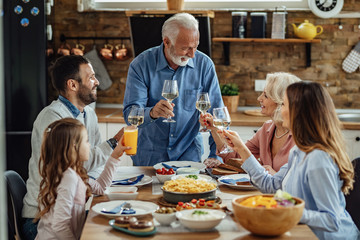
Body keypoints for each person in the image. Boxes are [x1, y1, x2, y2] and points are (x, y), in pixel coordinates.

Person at [221, 81, 359, 239]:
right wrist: (241, 148)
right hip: (301, 232)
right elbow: (271, 186)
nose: (281, 109)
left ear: (298, 112)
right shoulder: (299, 151)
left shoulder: (318, 159)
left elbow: (332, 221)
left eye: (284, 105)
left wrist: (287, 210)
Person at [22, 55, 123, 239]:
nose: (97, 81)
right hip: (41, 219)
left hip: (68, 213)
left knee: (115, 222)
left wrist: (89, 184)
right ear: (73, 85)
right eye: (91, 77)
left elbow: (91, 165)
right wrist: (113, 143)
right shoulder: (53, 118)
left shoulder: (89, 114)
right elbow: (73, 164)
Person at [123, 13, 223, 166]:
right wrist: (152, 113)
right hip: (149, 156)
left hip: (189, 155)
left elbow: (218, 114)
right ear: (167, 42)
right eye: (185, 48)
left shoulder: (204, 65)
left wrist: (216, 155)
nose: (192, 54)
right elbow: (130, 114)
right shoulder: (141, 65)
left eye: (195, 47)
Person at [35, 118, 129, 239]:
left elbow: (100, 188)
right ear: (74, 146)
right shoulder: (68, 178)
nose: (89, 145)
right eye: (87, 141)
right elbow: (59, 225)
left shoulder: (73, 173)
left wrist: (115, 155)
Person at [202, 72, 301, 175]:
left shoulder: (302, 136)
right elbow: (234, 157)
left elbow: (303, 182)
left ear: (281, 101)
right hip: (263, 191)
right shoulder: (267, 129)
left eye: (266, 96)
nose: (259, 98)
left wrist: (276, 177)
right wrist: (213, 129)